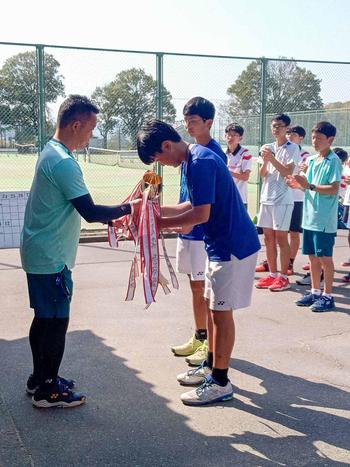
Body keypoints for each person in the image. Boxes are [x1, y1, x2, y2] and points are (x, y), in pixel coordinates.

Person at [20, 95, 140, 408]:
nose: (91, 136)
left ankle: (40, 377)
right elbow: (90, 212)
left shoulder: (52, 151)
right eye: (90, 129)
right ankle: (49, 390)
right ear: (76, 125)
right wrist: (131, 207)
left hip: (41, 251)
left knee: (44, 319)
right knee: (56, 321)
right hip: (50, 256)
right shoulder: (62, 162)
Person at [137, 119, 260, 406]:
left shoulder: (201, 161)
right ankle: (210, 365)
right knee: (212, 308)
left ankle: (220, 382)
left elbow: (199, 215)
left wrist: (156, 223)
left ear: (167, 146)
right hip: (218, 245)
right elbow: (187, 207)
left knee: (220, 314)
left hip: (231, 247)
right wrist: (146, 210)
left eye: (158, 158)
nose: (160, 164)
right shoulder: (194, 159)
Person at [171, 97, 227, 367]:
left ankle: (210, 347)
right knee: (195, 287)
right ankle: (199, 336)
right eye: (186, 121)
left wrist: (189, 221)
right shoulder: (189, 152)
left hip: (202, 230)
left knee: (207, 291)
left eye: (194, 121)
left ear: (209, 122)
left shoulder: (213, 154)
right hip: (187, 227)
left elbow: (207, 203)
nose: (189, 126)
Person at [286, 122, 341, 312]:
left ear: (330, 140)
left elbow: (334, 189)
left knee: (325, 258)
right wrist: (296, 184)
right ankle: (315, 291)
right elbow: (306, 185)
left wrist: (308, 186)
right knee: (312, 258)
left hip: (324, 220)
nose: (315, 141)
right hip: (309, 218)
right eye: (313, 137)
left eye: (319, 138)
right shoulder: (311, 160)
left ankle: (328, 295)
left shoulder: (333, 161)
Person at [255, 114, 300, 291]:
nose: (276, 129)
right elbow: (262, 174)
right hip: (266, 197)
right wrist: (265, 162)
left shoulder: (292, 147)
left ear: (287, 128)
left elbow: (287, 172)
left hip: (283, 199)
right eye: (273, 126)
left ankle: (283, 276)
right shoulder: (267, 147)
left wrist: (272, 158)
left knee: (281, 238)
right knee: (268, 238)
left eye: (279, 126)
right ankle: (272, 274)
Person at [285, 125, 310, 275]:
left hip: (297, 199)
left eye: (293, 134)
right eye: (288, 133)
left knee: (294, 233)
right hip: (280, 198)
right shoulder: (281, 151)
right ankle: (272, 261)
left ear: (301, 138)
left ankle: (290, 263)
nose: (289, 136)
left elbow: (304, 175)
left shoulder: (306, 155)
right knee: (277, 233)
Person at [225, 123, 252, 209]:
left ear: (240, 138)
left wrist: (227, 172)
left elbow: (245, 177)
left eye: (234, 135)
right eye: (228, 134)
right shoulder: (222, 153)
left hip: (239, 198)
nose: (230, 137)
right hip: (224, 198)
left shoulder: (245, 153)